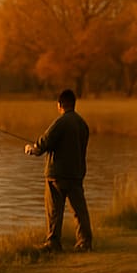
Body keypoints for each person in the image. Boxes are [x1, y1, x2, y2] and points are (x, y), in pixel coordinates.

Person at [24, 89, 92, 252]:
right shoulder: (83, 124)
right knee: (79, 211)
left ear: (60, 104)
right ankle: (85, 243)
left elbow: (44, 143)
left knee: (54, 210)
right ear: (74, 104)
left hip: (57, 175)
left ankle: (53, 243)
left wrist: (31, 149)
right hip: (76, 174)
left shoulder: (61, 122)